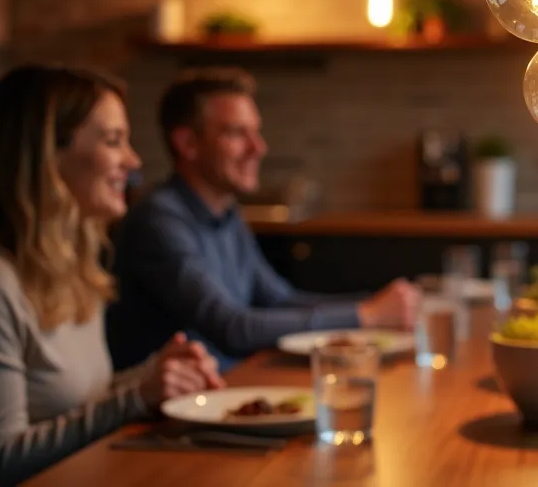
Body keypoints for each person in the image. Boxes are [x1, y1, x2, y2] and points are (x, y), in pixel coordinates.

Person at [0, 65, 223, 486]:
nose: (134, 161)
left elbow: (75, 402)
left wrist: (155, 375)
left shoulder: (72, 267)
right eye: (113, 140)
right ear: (46, 155)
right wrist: (136, 397)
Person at [106, 68, 420, 372]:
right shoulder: (158, 219)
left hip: (229, 389)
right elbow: (233, 328)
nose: (258, 148)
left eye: (255, 132)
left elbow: (279, 301)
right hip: (167, 416)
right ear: (188, 144)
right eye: (237, 133)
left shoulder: (227, 214)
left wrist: (380, 303)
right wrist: (367, 315)